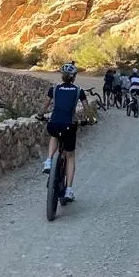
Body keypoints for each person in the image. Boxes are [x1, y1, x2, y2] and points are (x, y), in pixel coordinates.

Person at [42, 62, 87, 202]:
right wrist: (90, 119)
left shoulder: (54, 89)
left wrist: (39, 115)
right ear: (73, 77)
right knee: (70, 157)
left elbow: (46, 105)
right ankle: (68, 190)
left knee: (54, 134)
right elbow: (87, 108)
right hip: (69, 126)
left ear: (62, 76)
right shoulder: (79, 90)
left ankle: (49, 161)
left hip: (54, 124)